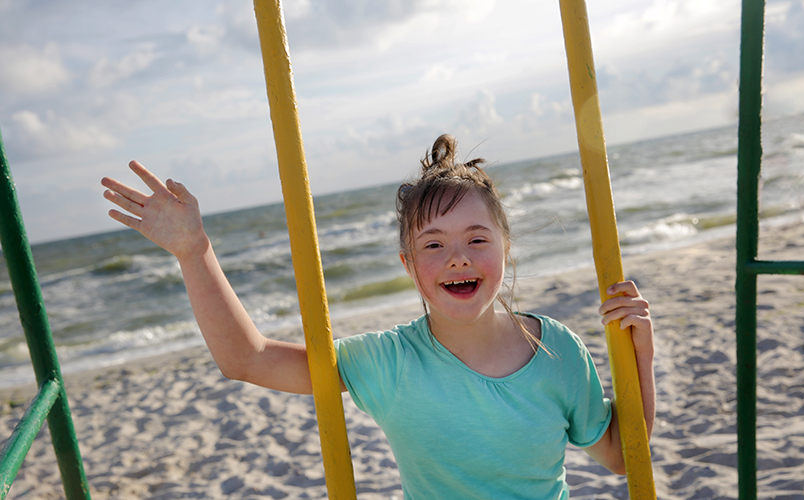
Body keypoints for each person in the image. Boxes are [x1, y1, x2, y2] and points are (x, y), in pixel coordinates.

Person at [101, 134, 655, 499]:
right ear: (409, 266)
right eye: (433, 245)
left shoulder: (557, 352)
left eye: (476, 239)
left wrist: (642, 359)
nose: (457, 256)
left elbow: (619, 457)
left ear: (505, 249)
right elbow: (248, 359)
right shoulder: (389, 362)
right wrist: (194, 251)